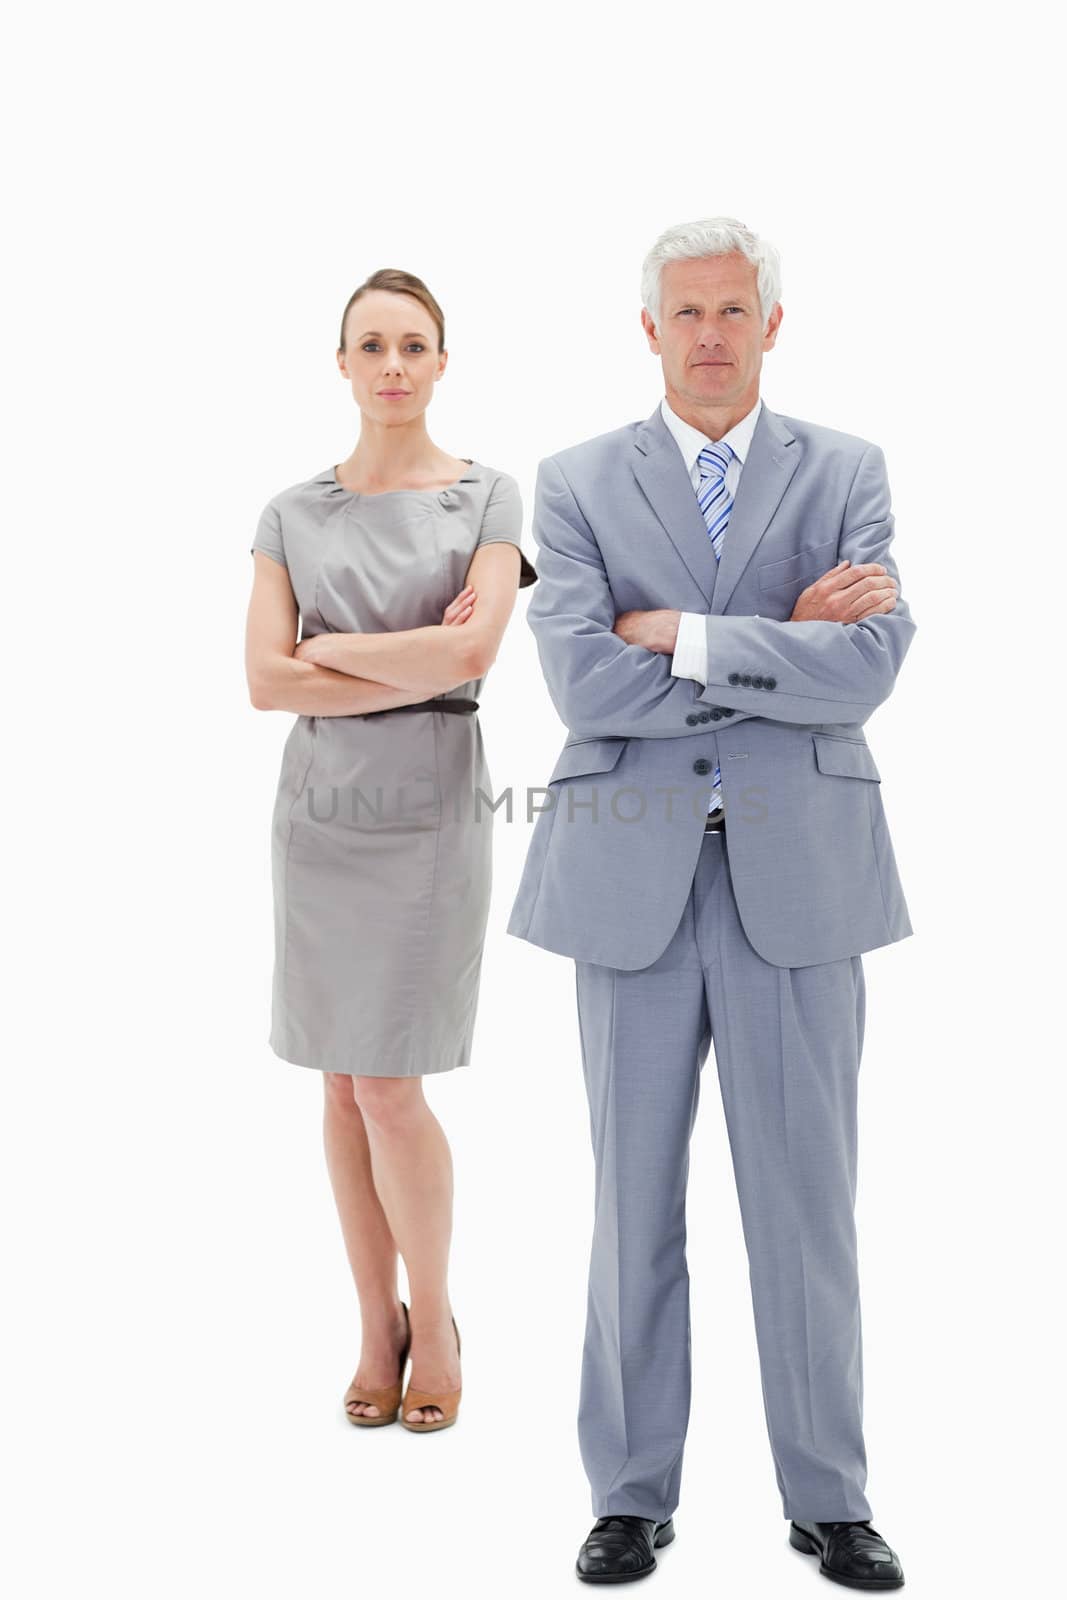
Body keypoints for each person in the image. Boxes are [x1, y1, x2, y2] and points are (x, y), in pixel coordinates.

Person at [507, 217, 912, 1587]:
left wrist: (671, 632)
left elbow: (861, 670)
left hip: (798, 876)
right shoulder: (569, 485)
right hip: (626, 874)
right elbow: (578, 687)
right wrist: (776, 640)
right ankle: (627, 1491)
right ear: (647, 330)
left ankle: (828, 1496)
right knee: (631, 1201)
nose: (708, 335)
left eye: (732, 309)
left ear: (770, 323)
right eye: (683, 313)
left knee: (804, 1201)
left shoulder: (845, 471)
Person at [245, 268, 537, 1432]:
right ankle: (375, 1324)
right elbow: (263, 681)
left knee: (389, 1083)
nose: (393, 366)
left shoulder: (488, 497)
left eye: (413, 345)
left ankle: (438, 1310)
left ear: (441, 362)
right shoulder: (288, 512)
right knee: (336, 1076)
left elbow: (471, 664)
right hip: (318, 816)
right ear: (341, 362)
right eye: (371, 344)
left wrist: (335, 651)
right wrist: (408, 649)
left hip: (425, 811)